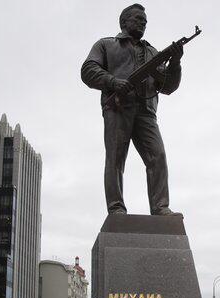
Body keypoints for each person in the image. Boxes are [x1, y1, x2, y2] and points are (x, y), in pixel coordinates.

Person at [81, 3, 185, 216]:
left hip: (146, 111)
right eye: (138, 19)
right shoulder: (106, 45)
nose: (143, 23)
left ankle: (160, 207)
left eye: (145, 21)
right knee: (116, 158)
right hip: (118, 108)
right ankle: (116, 207)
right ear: (124, 21)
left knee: (158, 156)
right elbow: (88, 70)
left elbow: (168, 87)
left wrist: (175, 62)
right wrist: (113, 81)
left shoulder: (152, 52)